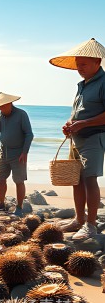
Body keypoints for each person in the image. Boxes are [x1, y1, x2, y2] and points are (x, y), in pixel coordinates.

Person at [49, 37, 105, 240]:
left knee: (90, 179)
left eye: (83, 64)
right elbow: (78, 112)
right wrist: (70, 123)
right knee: (76, 179)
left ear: (97, 62)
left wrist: (84, 123)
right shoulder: (82, 85)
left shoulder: (103, 83)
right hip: (77, 138)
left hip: (94, 136)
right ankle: (79, 219)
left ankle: (91, 225)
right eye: (78, 64)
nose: (79, 68)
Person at [0, 92, 34, 217]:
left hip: (18, 154)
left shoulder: (21, 114)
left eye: (2, 106)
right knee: (1, 179)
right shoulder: (1, 116)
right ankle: (1, 203)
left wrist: (25, 152)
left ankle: (19, 207)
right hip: (3, 153)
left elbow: (29, 134)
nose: (1, 109)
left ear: (9, 103)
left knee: (19, 181)